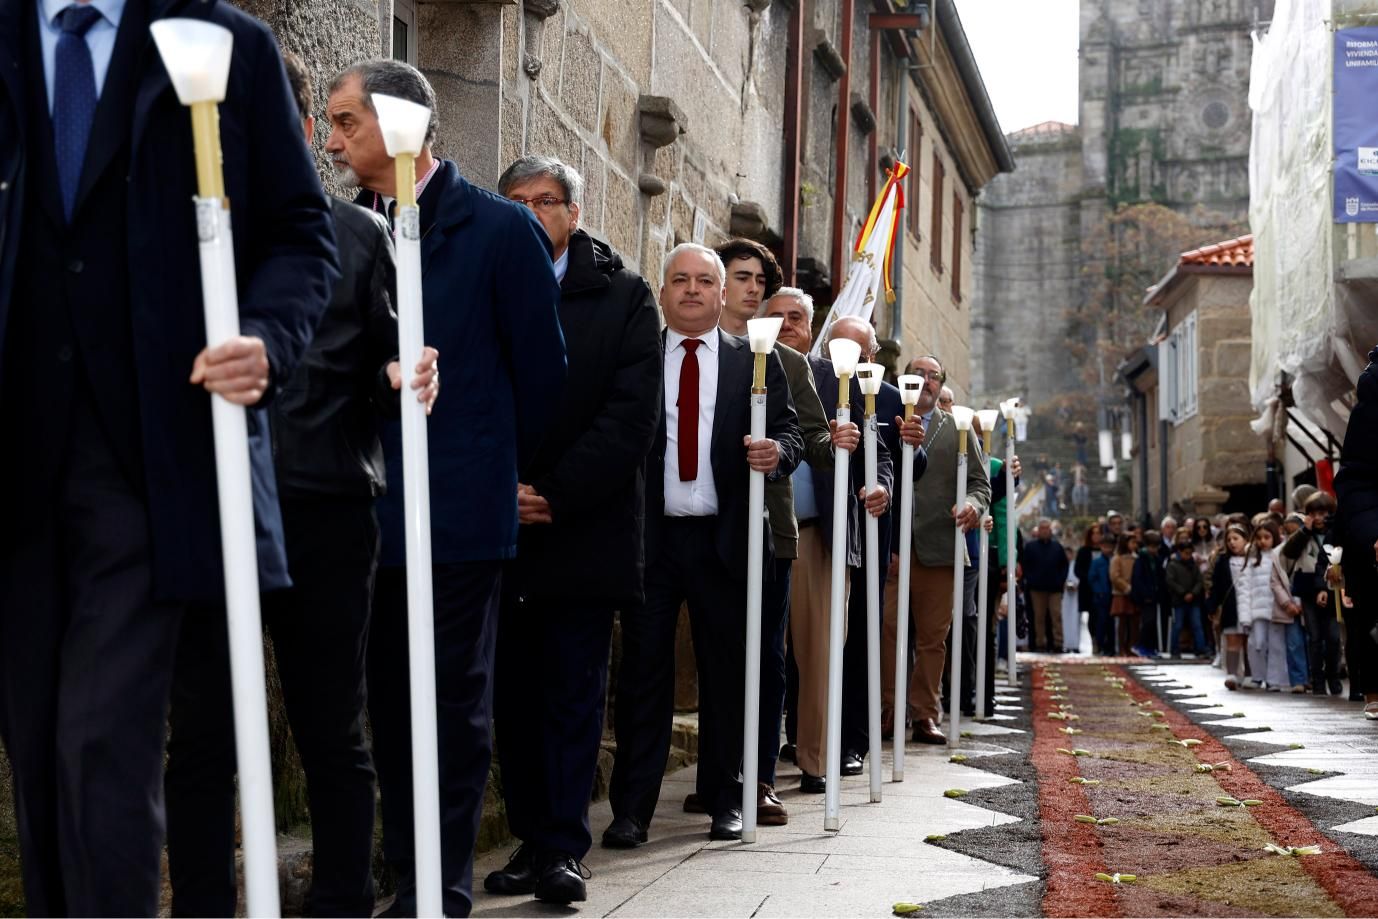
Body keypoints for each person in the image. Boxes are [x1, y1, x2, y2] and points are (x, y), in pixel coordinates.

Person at [0, 0, 339, 909]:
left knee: (102, 741)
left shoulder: (225, 46)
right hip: (14, 453)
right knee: (35, 750)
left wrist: (265, 335)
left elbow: (300, 232)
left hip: (152, 457)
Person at [162, 52, 440, 918]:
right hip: (207, 509)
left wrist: (403, 377)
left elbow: (388, 356)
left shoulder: (354, 236)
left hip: (324, 505)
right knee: (202, 733)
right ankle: (204, 902)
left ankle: (341, 898)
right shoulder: (164, 232)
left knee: (330, 724)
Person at [322, 60, 568, 917]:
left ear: (398, 124)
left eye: (346, 120)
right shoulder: (351, 229)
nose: (332, 138)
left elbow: (543, 378)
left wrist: (483, 461)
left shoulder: (501, 231)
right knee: (386, 698)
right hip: (366, 509)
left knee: (453, 703)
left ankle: (443, 884)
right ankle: (404, 870)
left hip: (461, 511)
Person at [480, 155, 661, 905]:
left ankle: (563, 846)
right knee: (511, 698)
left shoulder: (623, 295)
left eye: (545, 201)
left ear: (573, 212)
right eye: (515, 200)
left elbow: (629, 419)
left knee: (572, 694)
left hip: (582, 532)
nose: (529, 212)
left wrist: (549, 493)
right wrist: (497, 488)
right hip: (497, 530)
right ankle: (528, 836)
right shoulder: (486, 280)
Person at [604, 243, 802, 846]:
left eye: (703, 281)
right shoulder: (637, 356)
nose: (691, 290)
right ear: (663, 293)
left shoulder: (757, 362)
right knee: (642, 677)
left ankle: (728, 797)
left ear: (722, 295)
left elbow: (790, 429)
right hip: (652, 542)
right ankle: (631, 810)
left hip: (727, 542)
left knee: (728, 675)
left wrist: (779, 454)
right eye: (679, 280)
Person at [711, 251, 851, 821]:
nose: (750, 291)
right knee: (718, 657)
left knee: (768, 660)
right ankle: (717, 776)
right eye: (741, 280)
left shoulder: (789, 365)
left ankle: (760, 777)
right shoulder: (687, 352)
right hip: (701, 527)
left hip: (769, 530)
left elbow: (811, 441)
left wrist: (826, 442)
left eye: (758, 281)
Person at [758, 305, 889, 793]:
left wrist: (879, 484)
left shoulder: (836, 378)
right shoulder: (739, 365)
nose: (786, 324)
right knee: (758, 653)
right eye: (776, 314)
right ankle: (745, 768)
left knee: (818, 654)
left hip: (818, 534)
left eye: (796, 317)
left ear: (812, 329)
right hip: (761, 530)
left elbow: (879, 451)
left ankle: (815, 760)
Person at [894, 355, 990, 743]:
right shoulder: (886, 412)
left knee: (933, 638)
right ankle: (885, 710)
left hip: (939, 546)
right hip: (890, 546)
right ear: (906, 379)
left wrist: (972, 505)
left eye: (935, 376)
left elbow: (981, 485)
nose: (927, 381)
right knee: (886, 633)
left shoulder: (959, 429)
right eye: (919, 374)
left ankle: (923, 714)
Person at [826, 316, 897, 768]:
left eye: (860, 352)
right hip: (819, 534)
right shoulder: (809, 386)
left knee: (862, 635)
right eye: (840, 351)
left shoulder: (888, 400)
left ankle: (855, 739)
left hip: (867, 533)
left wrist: (885, 485)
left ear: (872, 357)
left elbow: (911, 459)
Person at [1334, 346, 1378, 715]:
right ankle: (1371, 691)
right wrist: (1373, 533)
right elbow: (1357, 481)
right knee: (1363, 624)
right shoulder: (1374, 391)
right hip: (1366, 553)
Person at [1282, 491, 1343, 695]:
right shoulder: (1303, 533)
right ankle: (1317, 679)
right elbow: (1288, 552)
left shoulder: (1337, 532)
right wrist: (1304, 531)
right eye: (1313, 513)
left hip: (1333, 588)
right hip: (1308, 589)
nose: (1318, 518)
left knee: (1333, 637)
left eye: (1322, 513)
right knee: (1314, 637)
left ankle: (1333, 676)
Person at [1238, 519, 1298, 691]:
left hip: (1276, 608)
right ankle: (1258, 676)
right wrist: (1245, 615)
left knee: (1276, 646)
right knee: (1256, 643)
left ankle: (1274, 679)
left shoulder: (1280, 556)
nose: (1262, 541)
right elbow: (1245, 587)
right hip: (1257, 610)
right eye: (1259, 537)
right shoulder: (1252, 559)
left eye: (1267, 537)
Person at [1207, 524, 1251, 689]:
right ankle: (1232, 674)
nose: (1232, 543)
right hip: (1231, 607)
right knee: (1232, 639)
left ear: (1246, 540)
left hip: (1249, 605)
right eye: (1229, 540)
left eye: (1236, 539)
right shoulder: (1223, 561)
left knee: (1248, 642)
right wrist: (1212, 606)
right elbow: (1216, 586)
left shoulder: (1253, 559)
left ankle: (1249, 674)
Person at [1022, 519, 1068, 652]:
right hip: (1036, 588)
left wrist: (1060, 580)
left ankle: (1058, 643)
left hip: (1055, 588)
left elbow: (1064, 565)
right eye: (1042, 528)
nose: (1045, 531)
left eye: (1047, 528)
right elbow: (1026, 565)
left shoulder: (1057, 547)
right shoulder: (1031, 547)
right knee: (1039, 617)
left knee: (1056, 616)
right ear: (1038, 530)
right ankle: (1039, 643)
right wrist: (1031, 580)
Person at [1165, 533, 1208, 659]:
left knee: (1197, 625)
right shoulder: (1173, 565)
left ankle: (1200, 649)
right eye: (1185, 553)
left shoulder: (1193, 565)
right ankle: (1175, 650)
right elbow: (1171, 581)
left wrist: (1193, 593)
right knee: (1178, 625)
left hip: (1193, 600)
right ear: (1180, 552)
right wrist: (1183, 592)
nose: (1188, 556)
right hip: (1179, 600)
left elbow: (1199, 581)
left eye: (1190, 553)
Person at [1109, 534, 1140, 657]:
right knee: (1122, 623)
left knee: (1134, 623)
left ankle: (1131, 646)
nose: (1134, 545)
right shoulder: (1117, 559)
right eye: (1132, 542)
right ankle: (1121, 647)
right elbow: (1114, 576)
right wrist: (1126, 587)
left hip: (1134, 594)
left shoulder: (1136, 558)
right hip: (1121, 594)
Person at [1088, 536, 1115, 655]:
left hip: (1112, 595)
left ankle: (1111, 647)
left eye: (1110, 547)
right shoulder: (1097, 562)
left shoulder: (1114, 560)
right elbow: (1092, 578)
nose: (1108, 549)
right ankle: (1100, 644)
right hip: (1101, 596)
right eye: (1105, 547)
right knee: (1101, 622)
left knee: (1111, 623)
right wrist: (1098, 591)